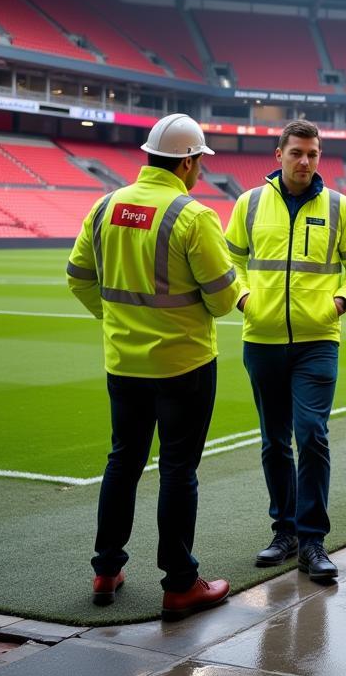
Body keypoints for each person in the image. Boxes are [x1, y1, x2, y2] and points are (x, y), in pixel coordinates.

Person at [66, 113, 242, 620]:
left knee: (122, 461)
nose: (201, 173)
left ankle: (106, 568)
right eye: (199, 163)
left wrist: (117, 319)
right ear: (186, 161)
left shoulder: (105, 206)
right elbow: (225, 299)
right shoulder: (193, 216)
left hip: (124, 363)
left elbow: (78, 277)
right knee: (178, 469)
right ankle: (181, 584)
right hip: (184, 363)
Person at [225, 120, 346, 582]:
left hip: (317, 342)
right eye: (296, 153)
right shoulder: (249, 204)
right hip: (262, 339)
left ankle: (312, 541)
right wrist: (244, 298)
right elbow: (228, 259)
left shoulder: (339, 207)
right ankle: (283, 532)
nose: (305, 161)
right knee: (273, 442)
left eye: (312, 153)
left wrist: (341, 301)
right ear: (279, 155)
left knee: (311, 435)